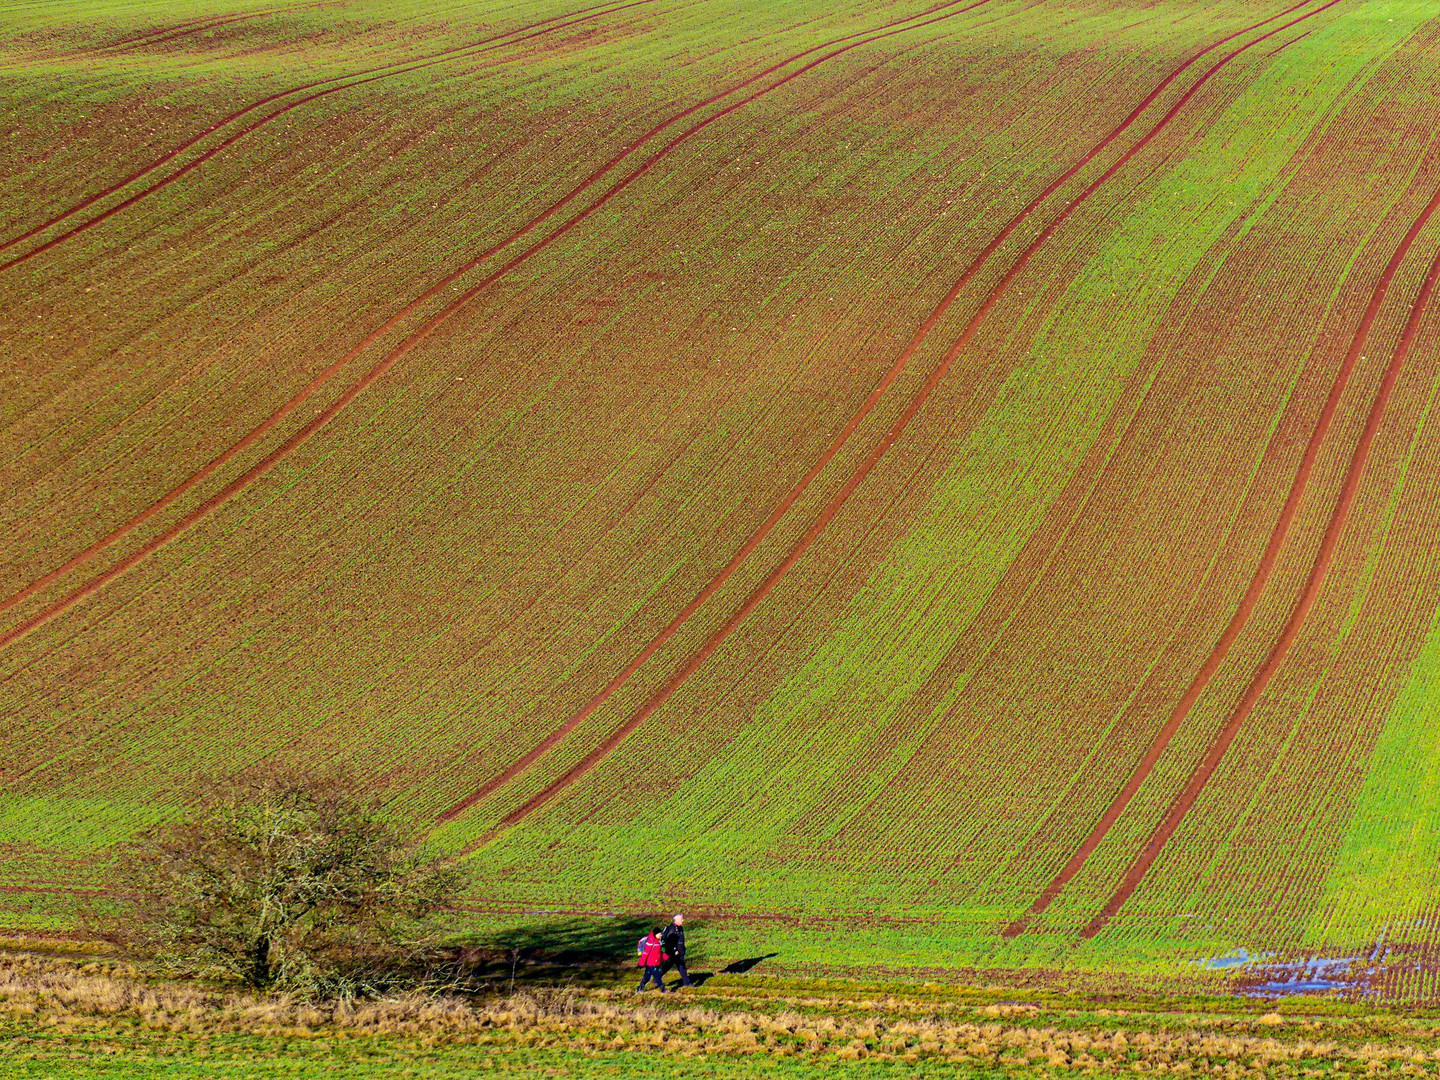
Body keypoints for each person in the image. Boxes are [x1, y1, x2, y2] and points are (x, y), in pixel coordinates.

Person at [660, 913, 693, 988]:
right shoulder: (672, 929)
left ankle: (657, 977)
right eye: (681, 919)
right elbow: (670, 941)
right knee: (681, 967)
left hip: (679, 952)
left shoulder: (680, 928)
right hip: (675, 953)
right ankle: (687, 983)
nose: (683, 920)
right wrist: (675, 950)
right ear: (676, 920)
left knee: (669, 965)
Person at [636, 927, 668, 993]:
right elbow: (645, 953)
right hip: (651, 963)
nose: (661, 935)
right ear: (656, 934)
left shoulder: (659, 942)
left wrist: (666, 957)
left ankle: (640, 988)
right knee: (657, 975)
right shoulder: (650, 942)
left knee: (647, 976)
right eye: (659, 934)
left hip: (657, 962)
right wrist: (641, 963)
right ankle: (663, 989)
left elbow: (661, 951)